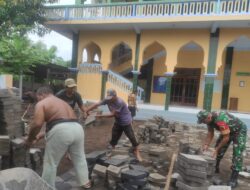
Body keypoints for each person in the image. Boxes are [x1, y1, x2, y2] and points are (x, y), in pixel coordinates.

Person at [26, 86, 91, 189]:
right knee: (80, 158)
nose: (37, 101)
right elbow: (62, 122)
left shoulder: (42, 103)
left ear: (41, 95)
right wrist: (41, 135)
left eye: (37, 98)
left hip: (62, 130)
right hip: (77, 128)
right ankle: (85, 182)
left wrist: (29, 140)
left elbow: (37, 124)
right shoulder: (62, 102)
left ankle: (47, 187)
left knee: (51, 162)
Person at [86, 88, 142, 162]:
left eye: (111, 98)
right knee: (114, 137)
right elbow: (97, 104)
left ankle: (136, 151)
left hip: (126, 122)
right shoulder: (107, 100)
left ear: (115, 96)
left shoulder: (120, 102)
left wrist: (100, 116)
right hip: (118, 121)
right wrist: (87, 110)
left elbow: (112, 114)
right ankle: (112, 151)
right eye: (108, 98)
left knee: (132, 137)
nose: (109, 100)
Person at [197, 110, 247, 188]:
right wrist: (206, 144)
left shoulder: (220, 120)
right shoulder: (209, 120)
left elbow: (226, 138)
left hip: (239, 131)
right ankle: (215, 168)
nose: (203, 123)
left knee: (237, 153)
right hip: (227, 131)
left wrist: (216, 150)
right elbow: (210, 133)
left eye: (203, 121)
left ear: (208, 117)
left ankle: (234, 178)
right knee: (218, 149)